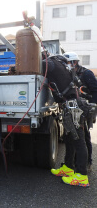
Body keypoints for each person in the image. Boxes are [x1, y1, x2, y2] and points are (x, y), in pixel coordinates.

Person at [42, 54, 89, 187]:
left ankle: (82, 175)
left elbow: (41, 65)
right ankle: (68, 168)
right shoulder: (64, 66)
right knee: (69, 138)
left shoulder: (51, 64)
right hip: (71, 105)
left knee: (78, 140)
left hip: (72, 106)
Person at [63, 52, 97, 172]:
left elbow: (95, 91)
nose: (65, 65)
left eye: (66, 62)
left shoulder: (86, 73)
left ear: (74, 62)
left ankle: (87, 164)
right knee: (71, 137)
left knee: (85, 138)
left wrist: (92, 111)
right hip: (72, 110)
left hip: (85, 109)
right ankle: (72, 164)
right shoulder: (67, 74)